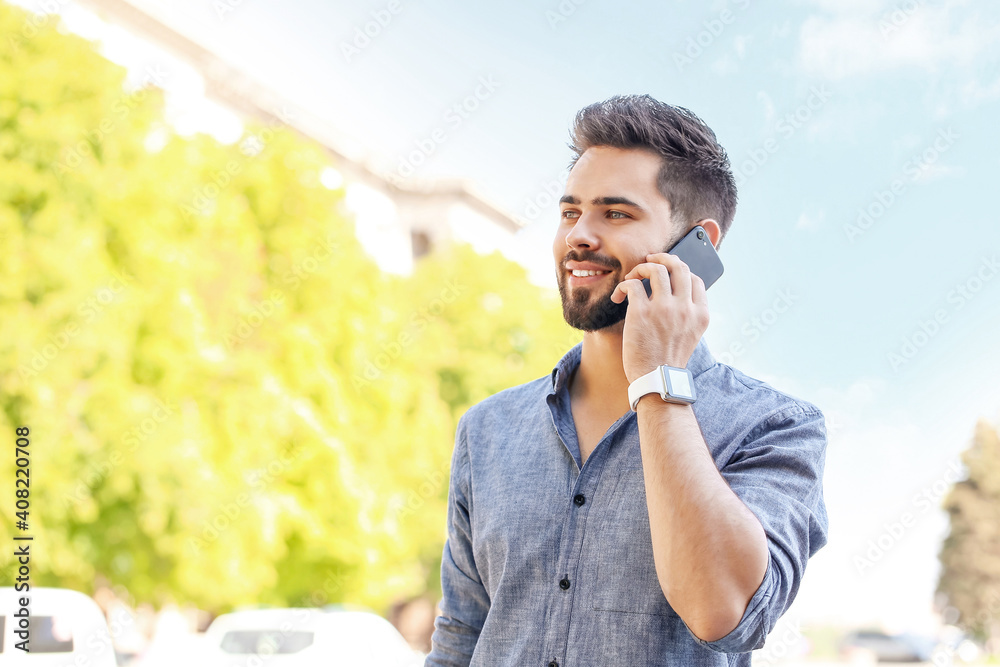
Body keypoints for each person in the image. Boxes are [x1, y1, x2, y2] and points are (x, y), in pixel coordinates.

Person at [424, 94, 829, 666]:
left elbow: (724, 612)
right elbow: (460, 634)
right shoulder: (487, 429)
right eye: (569, 212)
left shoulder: (774, 428)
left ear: (698, 246)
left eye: (615, 213)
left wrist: (659, 380)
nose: (579, 236)